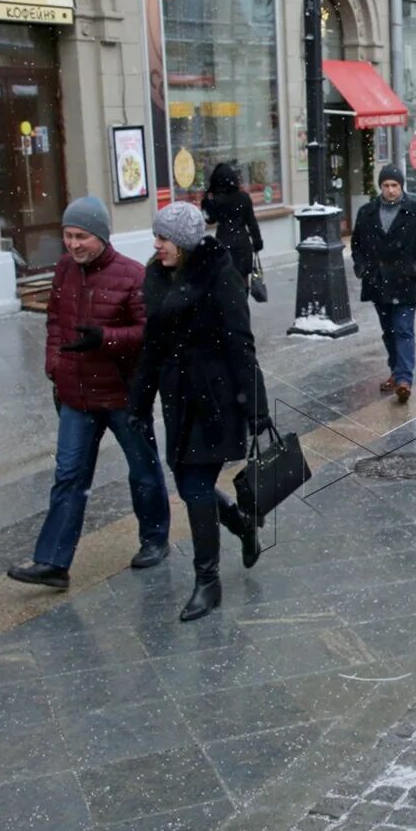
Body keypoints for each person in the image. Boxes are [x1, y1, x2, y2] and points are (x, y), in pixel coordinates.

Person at [6, 198, 171, 590]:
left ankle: (155, 539)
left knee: (143, 471)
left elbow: (150, 333)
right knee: (68, 477)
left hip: (122, 396)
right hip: (76, 394)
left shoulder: (132, 275)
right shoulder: (64, 270)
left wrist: (106, 339)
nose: (74, 244)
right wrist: (54, 365)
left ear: (101, 236)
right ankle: (52, 562)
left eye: (82, 236)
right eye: (68, 236)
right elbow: (55, 321)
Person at [129, 202, 269, 622]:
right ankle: (243, 524)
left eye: (164, 238)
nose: (157, 245)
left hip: (215, 400)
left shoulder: (219, 275)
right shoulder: (157, 277)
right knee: (191, 483)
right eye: (156, 237)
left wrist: (257, 410)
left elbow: (241, 344)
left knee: (193, 487)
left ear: (186, 242)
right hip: (177, 399)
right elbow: (152, 348)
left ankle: (207, 582)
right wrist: (138, 402)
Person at [352, 164, 416, 404]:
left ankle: (404, 380)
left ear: (401, 187)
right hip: (378, 283)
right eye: (386, 185)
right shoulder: (366, 213)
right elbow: (357, 245)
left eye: (395, 185)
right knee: (388, 332)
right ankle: (395, 370)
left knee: (402, 329)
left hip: (405, 283)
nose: (390, 190)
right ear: (380, 187)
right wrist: (362, 268)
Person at [201, 162, 264, 292]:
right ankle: (243, 304)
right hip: (242, 243)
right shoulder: (244, 198)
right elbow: (251, 222)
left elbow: (209, 219)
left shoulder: (216, 201)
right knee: (243, 278)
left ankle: (231, 305)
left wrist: (206, 201)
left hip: (224, 242)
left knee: (226, 279)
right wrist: (257, 242)